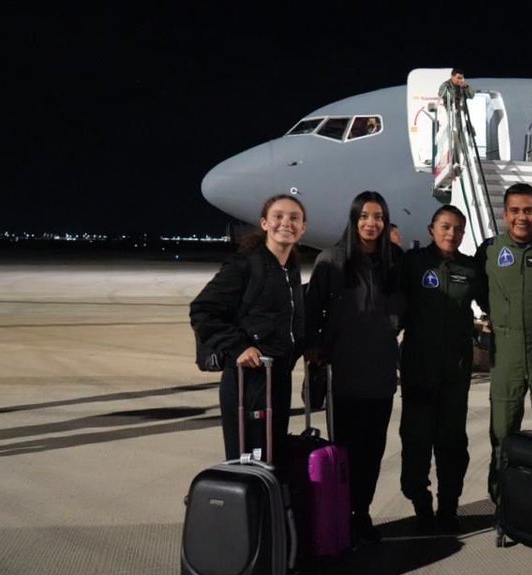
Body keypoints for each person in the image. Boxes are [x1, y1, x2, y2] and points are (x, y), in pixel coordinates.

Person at [304, 191, 406, 545]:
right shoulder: (331, 261)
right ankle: (339, 513)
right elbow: (311, 311)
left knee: (373, 449)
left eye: (378, 216)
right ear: (353, 219)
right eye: (364, 216)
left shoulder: (394, 262)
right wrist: (315, 351)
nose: (371, 223)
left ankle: (361, 513)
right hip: (344, 371)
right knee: (345, 448)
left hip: (380, 371)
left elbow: (404, 309)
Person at [190, 194, 307, 461]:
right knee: (248, 458)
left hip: (277, 377)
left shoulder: (290, 268)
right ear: (264, 223)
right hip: (249, 379)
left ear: (303, 227)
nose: (286, 223)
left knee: (271, 457)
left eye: (294, 218)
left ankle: (267, 504)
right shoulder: (245, 264)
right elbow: (202, 310)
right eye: (278, 217)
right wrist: (238, 346)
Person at [474, 183, 532, 503]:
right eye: (514, 211)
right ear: (505, 215)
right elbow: (478, 289)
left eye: (528, 210)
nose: (521, 217)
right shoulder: (489, 250)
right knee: (503, 427)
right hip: (506, 349)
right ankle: (503, 498)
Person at [399, 205, 486, 533]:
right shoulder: (413, 264)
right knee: (416, 438)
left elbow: (491, 301)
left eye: (458, 229)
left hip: (455, 370)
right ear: (431, 229)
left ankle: (449, 504)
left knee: (452, 441)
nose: (452, 234)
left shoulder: (470, 268)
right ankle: (419, 499)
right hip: (418, 368)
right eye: (445, 227)